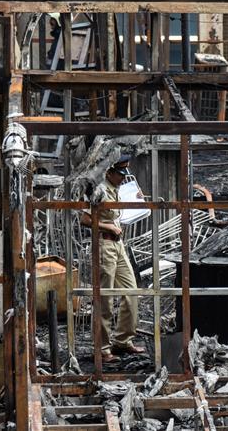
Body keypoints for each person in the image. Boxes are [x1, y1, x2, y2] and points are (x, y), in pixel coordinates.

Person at [80, 154, 146, 362]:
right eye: (120, 173)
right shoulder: (96, 188)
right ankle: (102, 348)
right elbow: (84, 219)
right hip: (104, 243)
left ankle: (123, 340)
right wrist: (107, 226)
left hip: (118, 245)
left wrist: (137, 200)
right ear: (109, 171)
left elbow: (119, 212)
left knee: (131, 291)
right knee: (105, 297)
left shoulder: (117, 188)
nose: (123, 177)